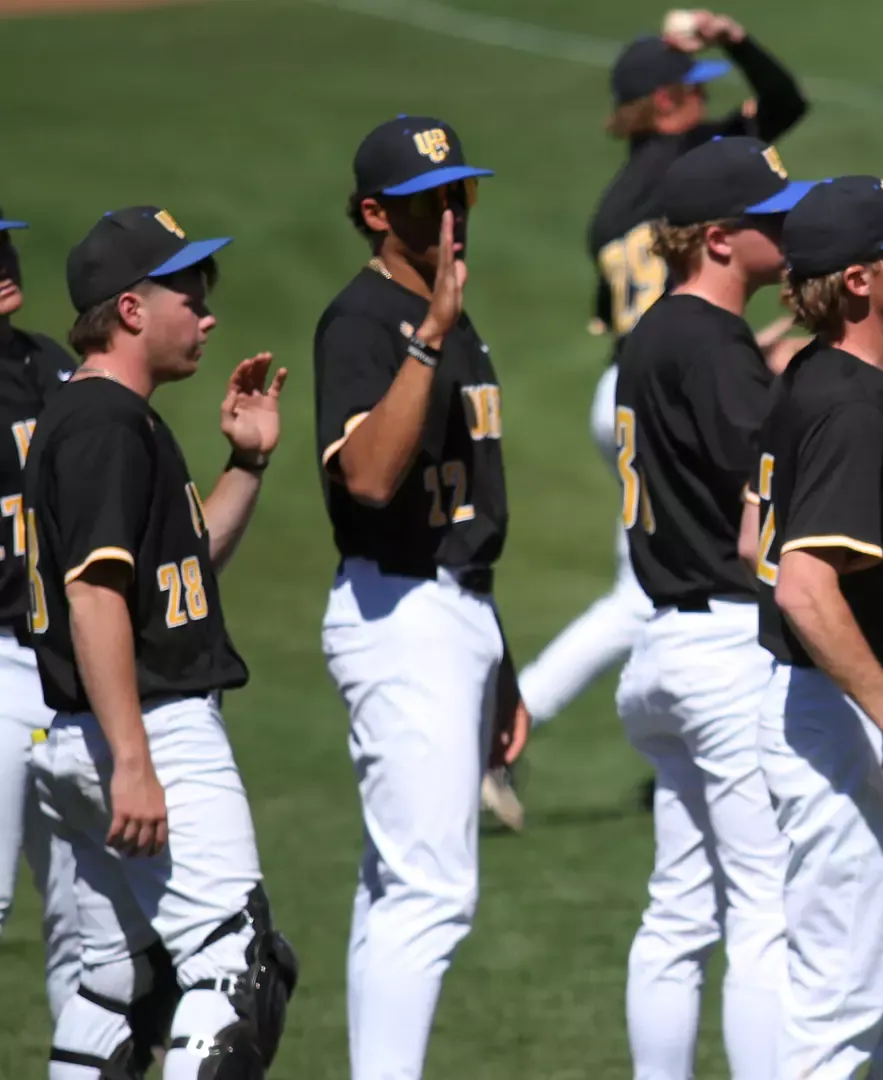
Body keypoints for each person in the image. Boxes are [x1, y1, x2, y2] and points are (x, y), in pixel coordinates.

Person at [501, 10, 812, 822]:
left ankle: (522, 721)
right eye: (691, 92)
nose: (704, 105)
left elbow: (606, 316)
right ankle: (505, 722)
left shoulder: (612, 208)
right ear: (667, 104)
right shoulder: (704, 170)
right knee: (662, 582)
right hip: (689, 378)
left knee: (649, 577)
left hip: (633, 378)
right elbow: (787, 101)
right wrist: (732, 40)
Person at [30, 206, 297, 1078]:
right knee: (236, 972)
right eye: (189, 291)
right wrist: (135, 758)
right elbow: (95, 596)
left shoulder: (101, 416)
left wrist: (247, 465)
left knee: (121, 986)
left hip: (85, 736)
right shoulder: (106, 425)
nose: (208, 313)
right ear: (131, 310)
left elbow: (176, 575)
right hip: (146, 730)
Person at [315, 115, 526, 1080]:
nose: (451, 216)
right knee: (430, 892)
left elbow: (466, 510)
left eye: (461, 194)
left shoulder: (449, 313)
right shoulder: (363, 324)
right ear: (374, 215)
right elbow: (366, 476)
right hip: (398, 613)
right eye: (427, 202)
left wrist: (500, 661)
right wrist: (429, 337)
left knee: (394, 886)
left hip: (448, 612)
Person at [611, 135, 813, 1080]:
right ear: (722, 241)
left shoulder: (653, 331)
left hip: (662, 646)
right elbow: (765, 498)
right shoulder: (715, 343)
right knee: (767, 908)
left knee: (679, 912)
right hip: (731, 651)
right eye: (773, 219)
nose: (791, 229)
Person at [752, 176, 883, 1078]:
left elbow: (754, 539)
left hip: (848, 707)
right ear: (863, 281)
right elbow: (801, 585)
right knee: (840, 1021)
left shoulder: (834, 378)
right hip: (848, 717)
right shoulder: (842, 402)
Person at [0, 210, 80, 1025]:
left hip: (58, 664)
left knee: (84, 924)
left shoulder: (47, 364)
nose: (2, 261)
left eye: (3, 242)